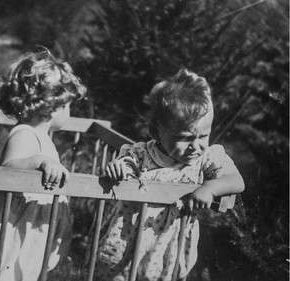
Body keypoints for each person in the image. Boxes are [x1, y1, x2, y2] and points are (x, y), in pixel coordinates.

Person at [94, 68, 245, 281]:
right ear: (156, 132)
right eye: (184, 138)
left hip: (170, 245)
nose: (196, 146)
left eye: (204, 136)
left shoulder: (207, 157)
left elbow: (236, 181)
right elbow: (125, 165)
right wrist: (118, 169)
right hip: (128, 241)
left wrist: (210, 188)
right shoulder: (140, 153)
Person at [0, 48, 86, 281]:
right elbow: (9, 168)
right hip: (16, 226)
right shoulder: (24, 134)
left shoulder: (42, 137)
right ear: (54, 107)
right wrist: (40, 161)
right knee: (4, 273)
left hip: (33, 225)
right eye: (68, 105)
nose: (69, 111)